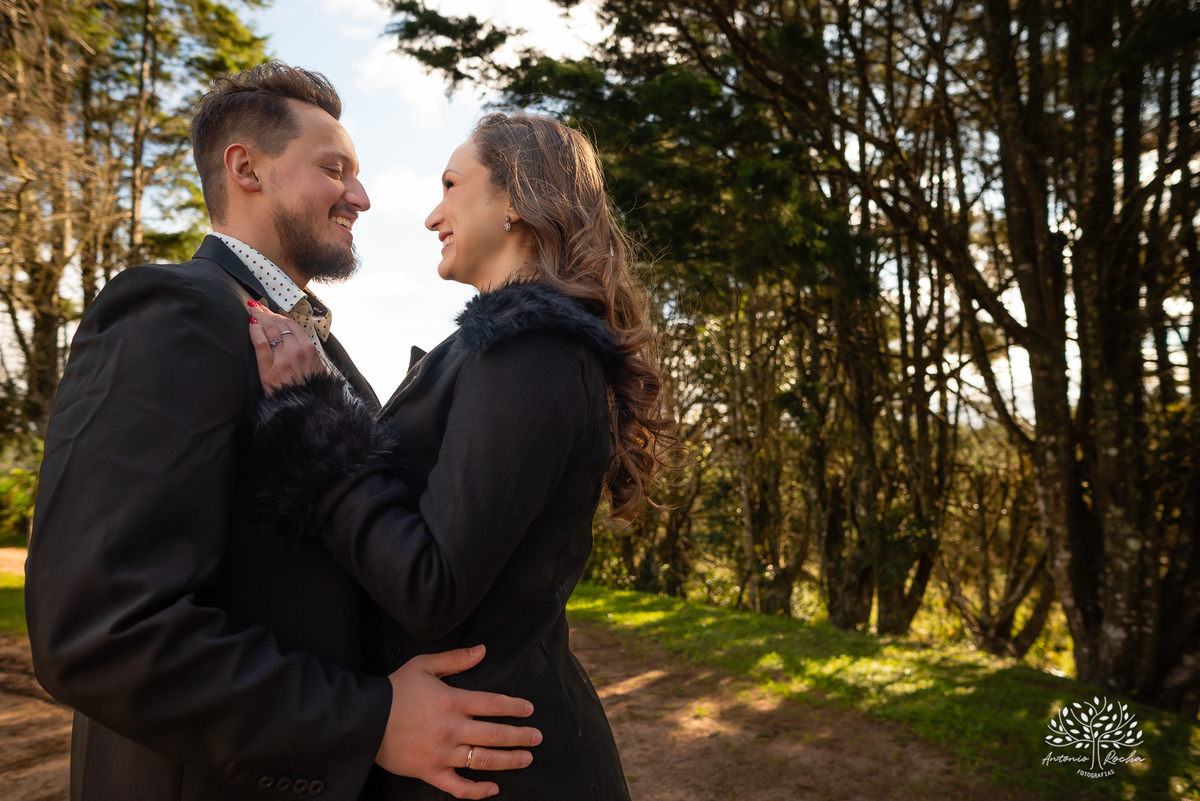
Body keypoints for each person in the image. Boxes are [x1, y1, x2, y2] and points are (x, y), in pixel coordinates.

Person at [25, 65, 540, 801]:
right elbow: (102, 629)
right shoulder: (177, 312)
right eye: (335, 170)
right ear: (246, 168)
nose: (360, 197)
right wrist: (369, 720)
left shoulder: (310, 346)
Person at [244, 111, 675, 800]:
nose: (430, 214)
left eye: (450, 184)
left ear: (514, 199)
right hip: (466, 755)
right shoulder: (499, 349)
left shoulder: (531, 350)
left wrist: (313, 416)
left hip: (505, 772)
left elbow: (430, 585)